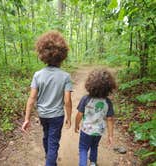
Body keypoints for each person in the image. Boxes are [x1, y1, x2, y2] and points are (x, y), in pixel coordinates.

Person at [21, 31, 72, 166]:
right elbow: (67, 100)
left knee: (46, 137)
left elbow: (31, 99)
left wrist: (26, 119)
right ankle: (50, 161)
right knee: (53, 141)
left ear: (43, 53)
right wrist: (69, 117)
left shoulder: (38, 75)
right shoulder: (65, 76)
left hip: (43, 115)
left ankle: (49, 158)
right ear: (62, 55)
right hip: (57, 116)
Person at [75, 69, 116, 166]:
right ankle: (93, 163)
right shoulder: (107, 102)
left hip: (86, 130)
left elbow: (79, 114)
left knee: (83, 148)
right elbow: (110, 119)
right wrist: (110, 135)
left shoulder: (86, 99)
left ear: (90, 85)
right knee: (94, 146)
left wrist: (76, 125)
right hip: (99, 131)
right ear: (108, 87)